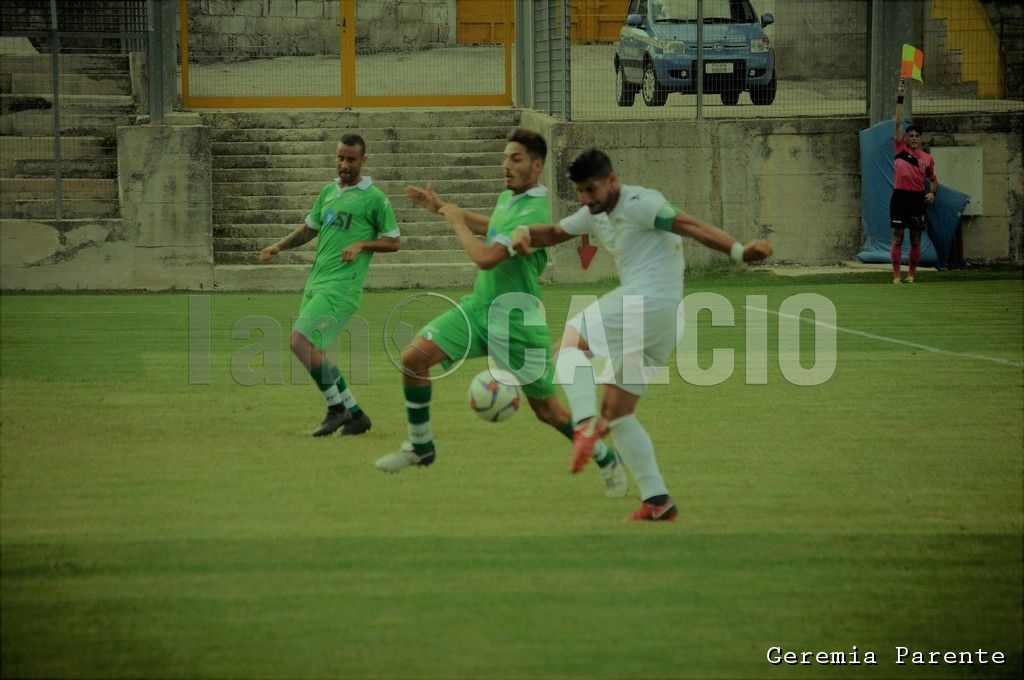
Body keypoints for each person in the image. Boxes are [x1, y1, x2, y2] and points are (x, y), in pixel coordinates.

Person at [513, 148, 773, 521]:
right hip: (664, 322)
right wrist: (522, 232)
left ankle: (584, 427)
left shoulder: (641, 202)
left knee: (569, 345)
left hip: (647, 303)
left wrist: (738, 251)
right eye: (581, 192)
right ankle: (657, 500)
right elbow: (554, 232)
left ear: (613, 180)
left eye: (592, 190)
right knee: (618, 414)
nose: (586, 199)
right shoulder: (594, 213)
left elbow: (692, 226)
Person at [374, 127, 628, 499]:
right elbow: (493, 228)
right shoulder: (510, 198)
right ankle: (421, 446)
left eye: (516, 159)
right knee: (414, 358)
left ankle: (607, 458)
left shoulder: (534, 210)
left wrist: (457, 223)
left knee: (550, 413)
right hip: (479, 309)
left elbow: (486, 258)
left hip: (517, 323)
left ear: (537, 165)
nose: (505, 165)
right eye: (505, 158)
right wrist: (444, 208)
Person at [259, 133, 400, 437]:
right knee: (314, 351)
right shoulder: (327, 192)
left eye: (351, 159)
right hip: (317, 282)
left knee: (298, 342)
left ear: (364, 160)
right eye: (340, 157)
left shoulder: (375, 198)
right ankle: (356, 415)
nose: (344, 164)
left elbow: (394, 242)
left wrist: (362, 243)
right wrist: (279, 247)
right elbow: (309, 229)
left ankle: (336, 409)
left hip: (342, 287)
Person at [891, 78, 938, 285]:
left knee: (916, 239)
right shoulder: (900, 148)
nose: (913, 138)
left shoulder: (927, 159)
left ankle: (911, 275)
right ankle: (896, 276)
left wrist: (932, 192)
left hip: (917, 199)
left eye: (917, 136)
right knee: (898, 237)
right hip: (900, 197)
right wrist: (900, 95)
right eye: (910, 135)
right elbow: (898, 122)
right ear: (906, 137)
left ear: (921, 138)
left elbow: (934, 181)